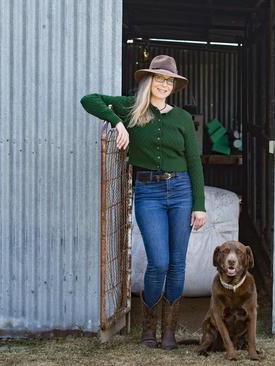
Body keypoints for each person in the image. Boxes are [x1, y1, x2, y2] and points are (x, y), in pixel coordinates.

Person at [80, 55, 206, 350]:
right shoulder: (129, 108)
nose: (164, 84)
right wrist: (117, 123)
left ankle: (169, 334)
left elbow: (194, 163)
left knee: (177, 264)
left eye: (169, 81)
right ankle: (148, 331)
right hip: (148, 193)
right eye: (159, 79)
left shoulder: (183, 119)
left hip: (181, 191)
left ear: (174, 85)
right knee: (158, 262)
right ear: (148, 81)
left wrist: (199, 204)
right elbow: (89, 99)